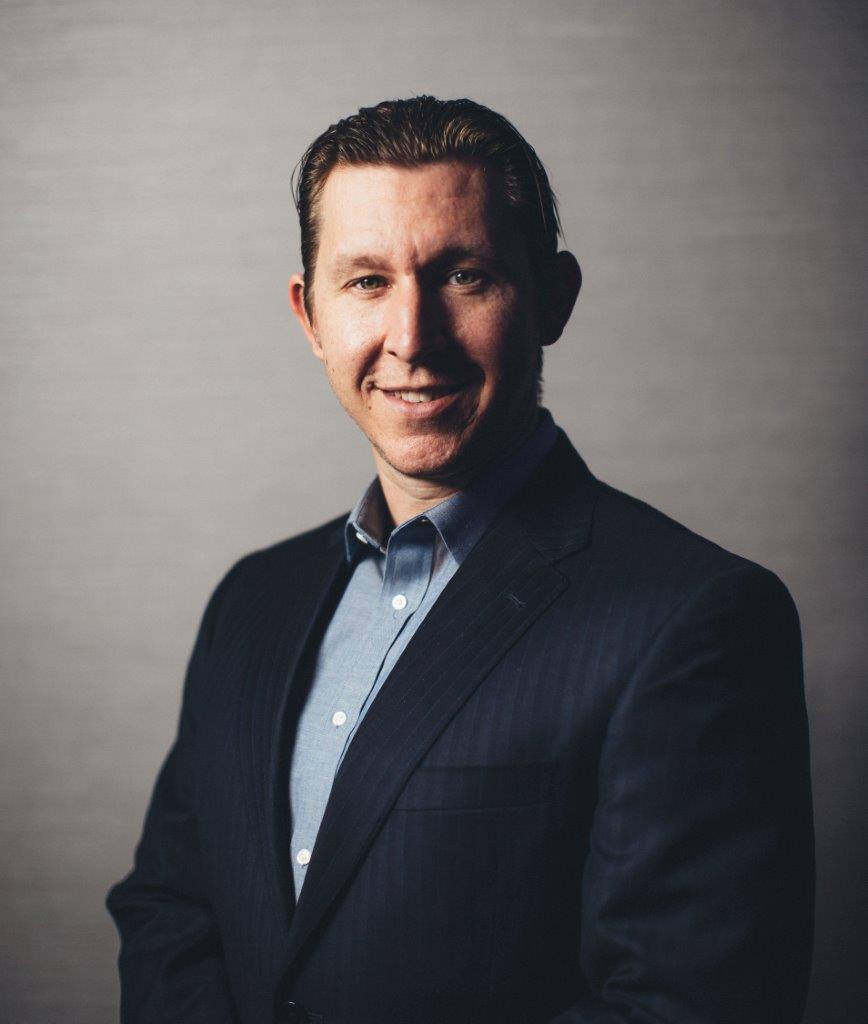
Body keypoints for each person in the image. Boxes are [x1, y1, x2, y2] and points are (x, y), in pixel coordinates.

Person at [107, 96, 814, 1024]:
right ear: (308, 313)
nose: (412, 337)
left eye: (463, 276)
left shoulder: (696, 618)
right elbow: (170, 912)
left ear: (553, 298)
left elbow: (682, 1004)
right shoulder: (251, 601)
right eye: (365, 282)